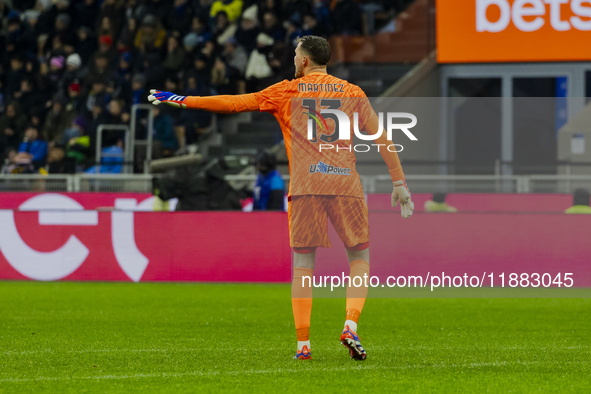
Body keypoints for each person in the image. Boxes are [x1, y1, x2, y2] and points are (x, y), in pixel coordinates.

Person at [148, 35, 414, 361]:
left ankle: (303, 345)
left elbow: (234, 103)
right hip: (346, 185)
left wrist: (183, 99)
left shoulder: (286, 91)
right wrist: (398, 182)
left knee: (303, 266)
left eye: (294, 54)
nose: (292, 60)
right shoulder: (352, 91)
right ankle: (350, 324)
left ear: (304, 60)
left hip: (305, 186)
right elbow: (382, 138)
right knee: (359, 259)